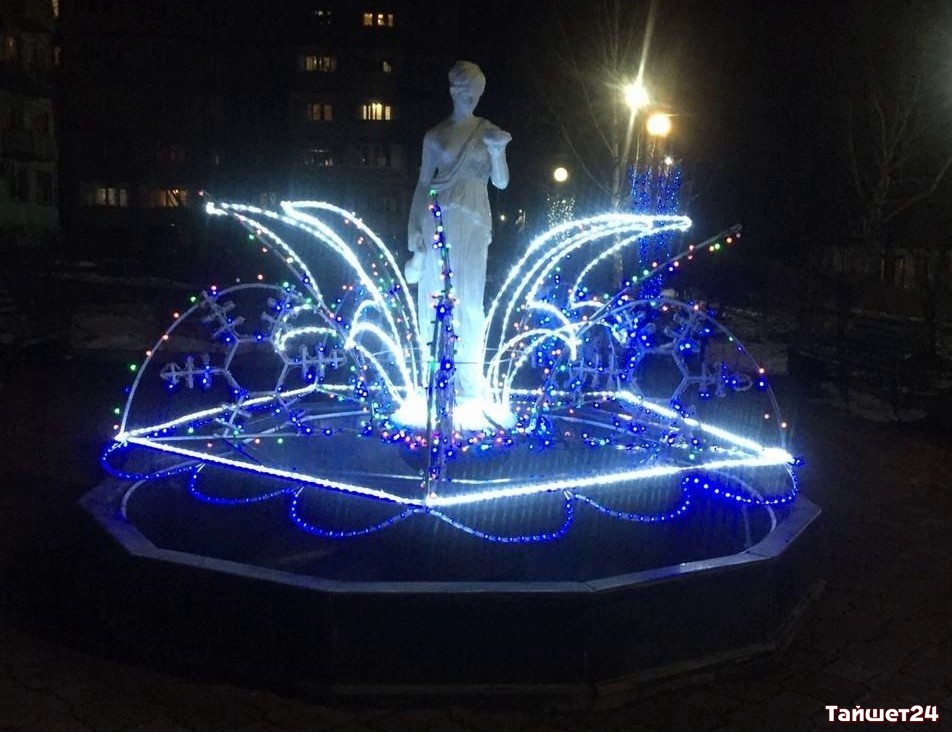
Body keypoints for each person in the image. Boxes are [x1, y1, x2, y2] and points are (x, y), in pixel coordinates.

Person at [405, 60, 511, 400]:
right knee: (435, 292)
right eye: (467, 92)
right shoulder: (435, 136)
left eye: (477, 93)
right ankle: (435, 372)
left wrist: (497, 152)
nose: (472, 99)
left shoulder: (488, 130)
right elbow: (423, 184)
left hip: (475, 217)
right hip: (438, 216)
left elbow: (501, 182)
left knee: (471, 295)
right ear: (454, 91)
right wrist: (413, 231)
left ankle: (468, 375)